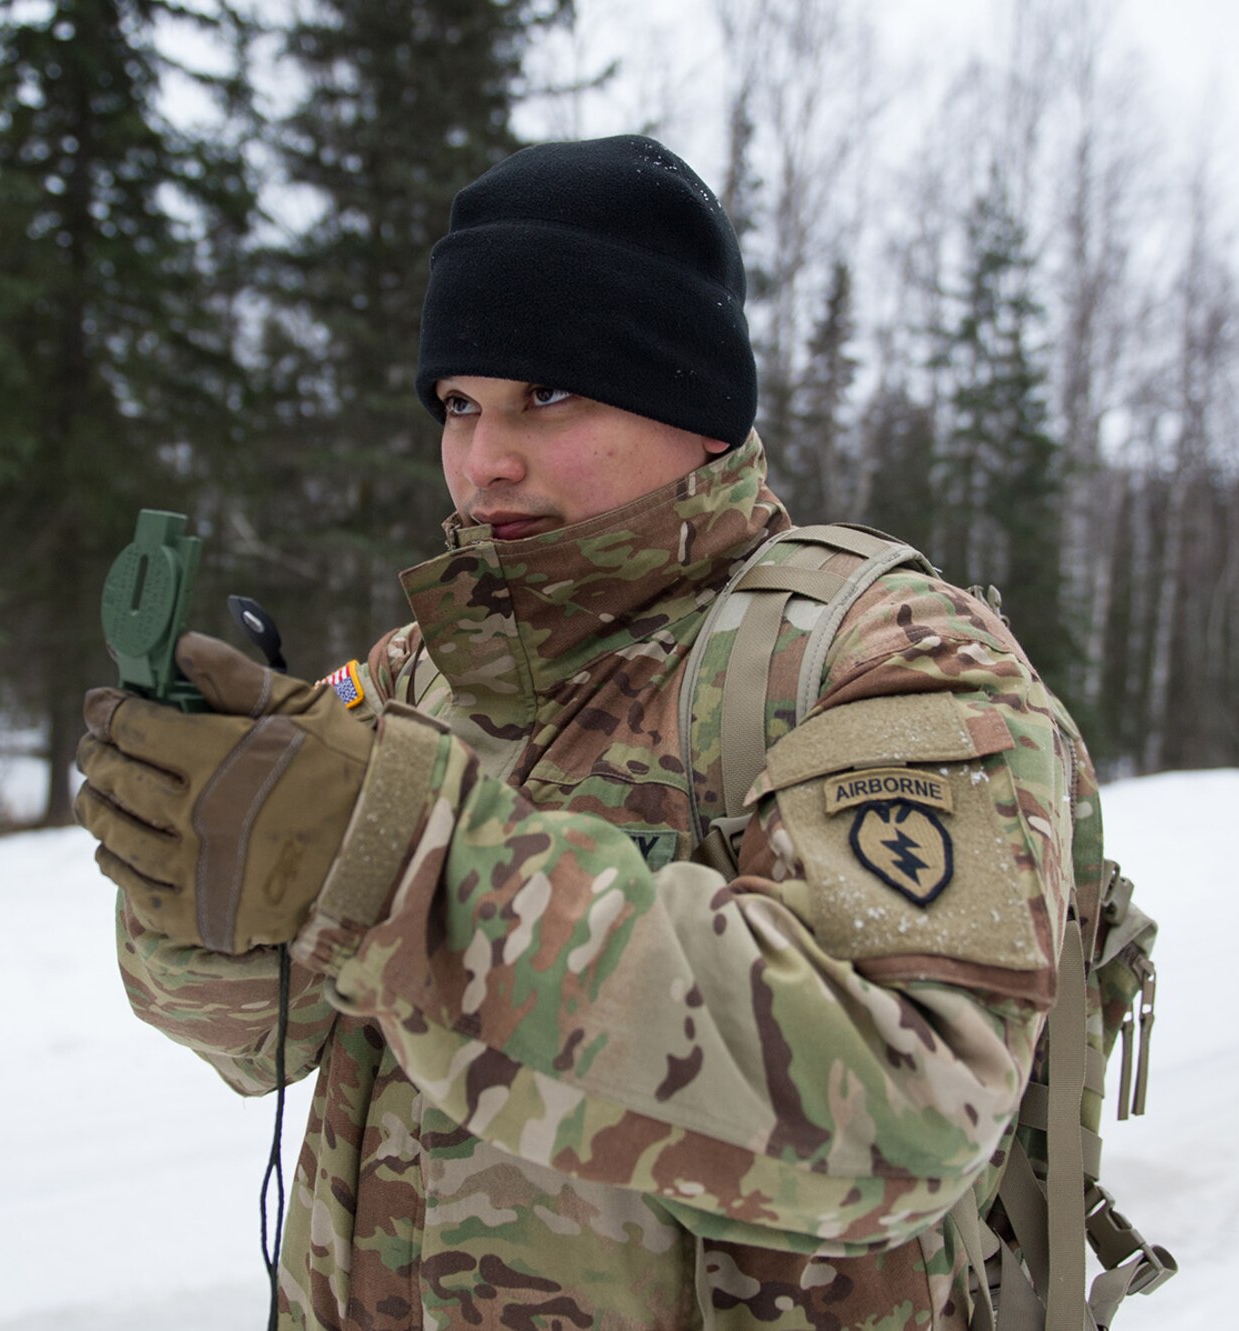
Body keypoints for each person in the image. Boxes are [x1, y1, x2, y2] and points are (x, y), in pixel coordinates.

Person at [73, 135, 1097, 1330]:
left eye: (546, 395)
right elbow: (256, 1039)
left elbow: (908, 1105)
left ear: (696, 408)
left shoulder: (881, 655)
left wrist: (396, 853)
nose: (482, 460)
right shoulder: (420, 675)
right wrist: (195, 879)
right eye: (457, 403)